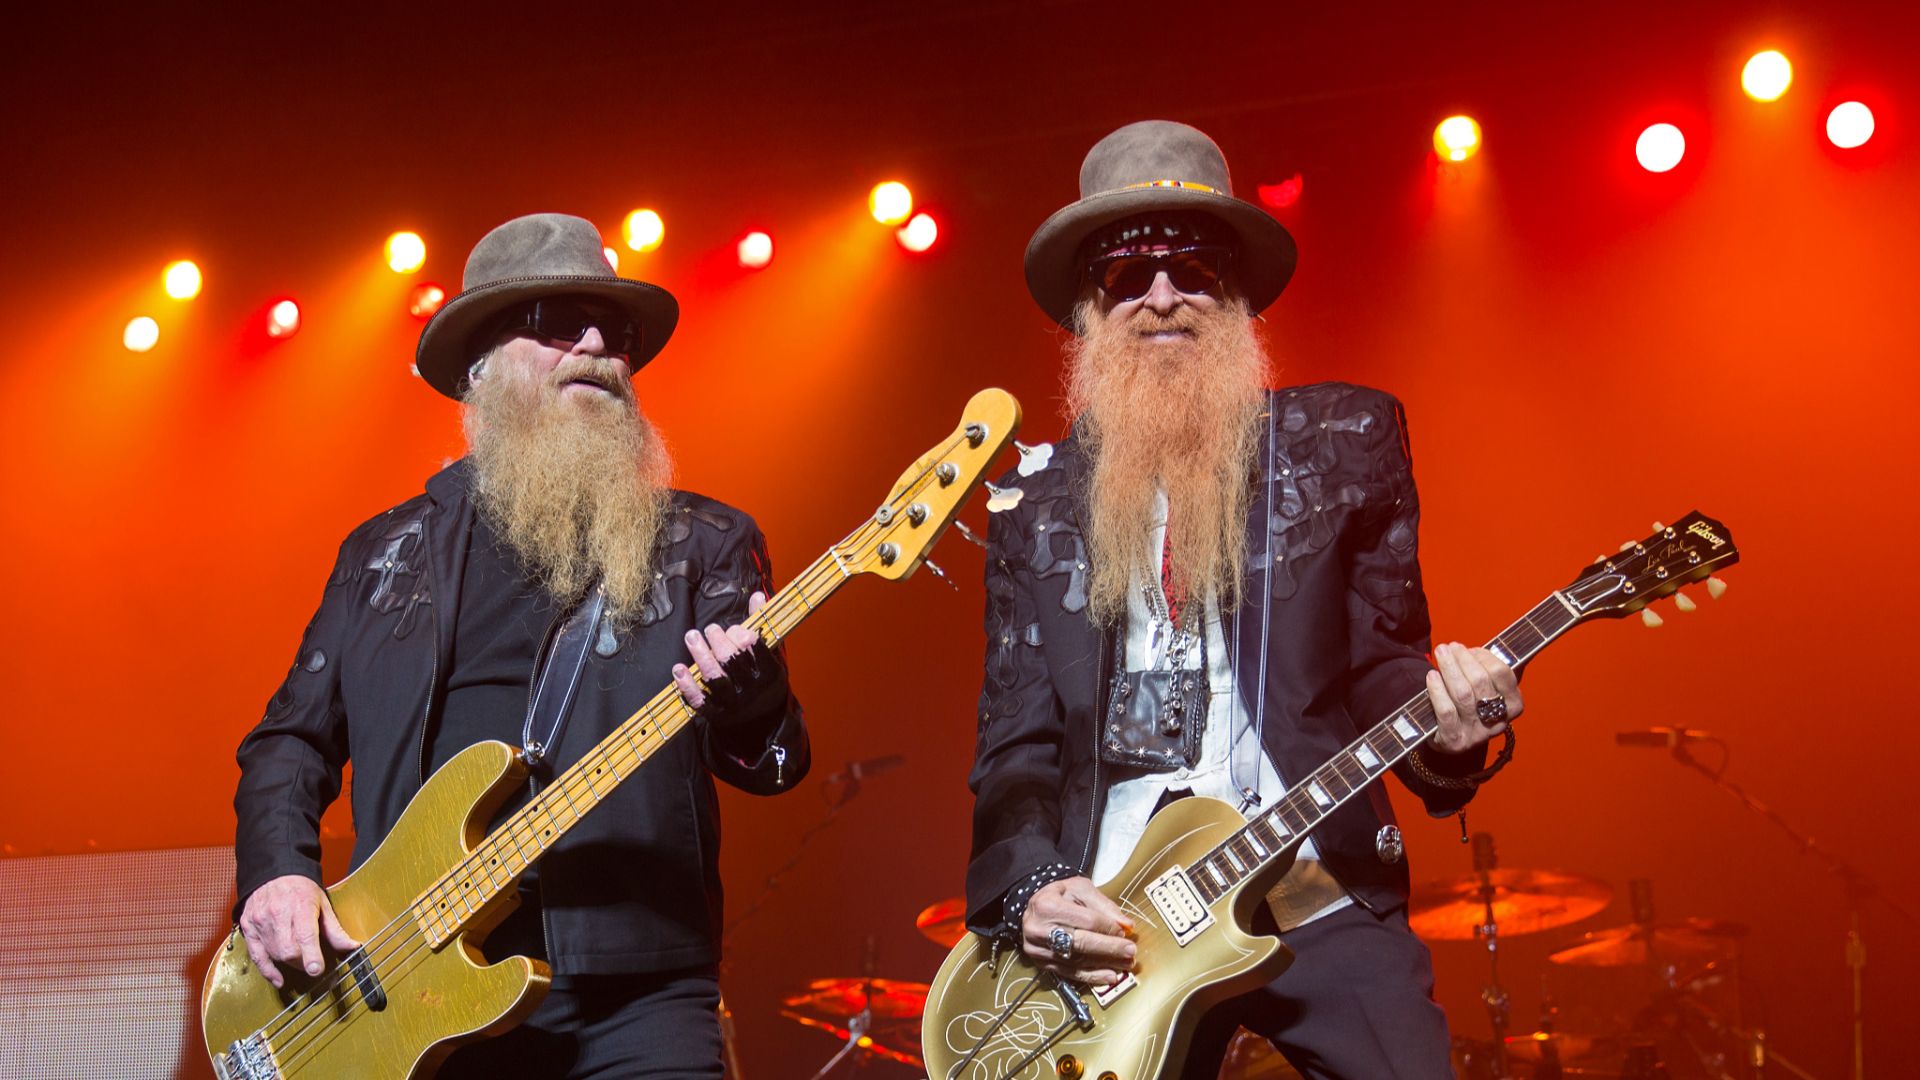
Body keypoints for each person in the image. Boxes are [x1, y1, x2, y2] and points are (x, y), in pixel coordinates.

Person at [964, 121, 1522, 1079]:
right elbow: (1016, 743)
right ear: (1089, 308)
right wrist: (1034, 887)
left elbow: (1384, 665)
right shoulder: (1035, 501)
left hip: (1313, 881)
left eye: (1193, 266)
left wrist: (1450, 731)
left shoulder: (1342, 442)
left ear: (1237, 294)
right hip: (1122, 924)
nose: (1162, 295)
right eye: (1126, 275)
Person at [231, 212, 808, 1078]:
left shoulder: (701, 542)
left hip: (638, 991)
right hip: (420, 989)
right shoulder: (383, 555)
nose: (596, 346)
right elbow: (289, 741)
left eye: (613, 332)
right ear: (479, 367)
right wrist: (279, 873)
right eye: (558, 323)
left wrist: (752, 701)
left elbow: (773, 760)